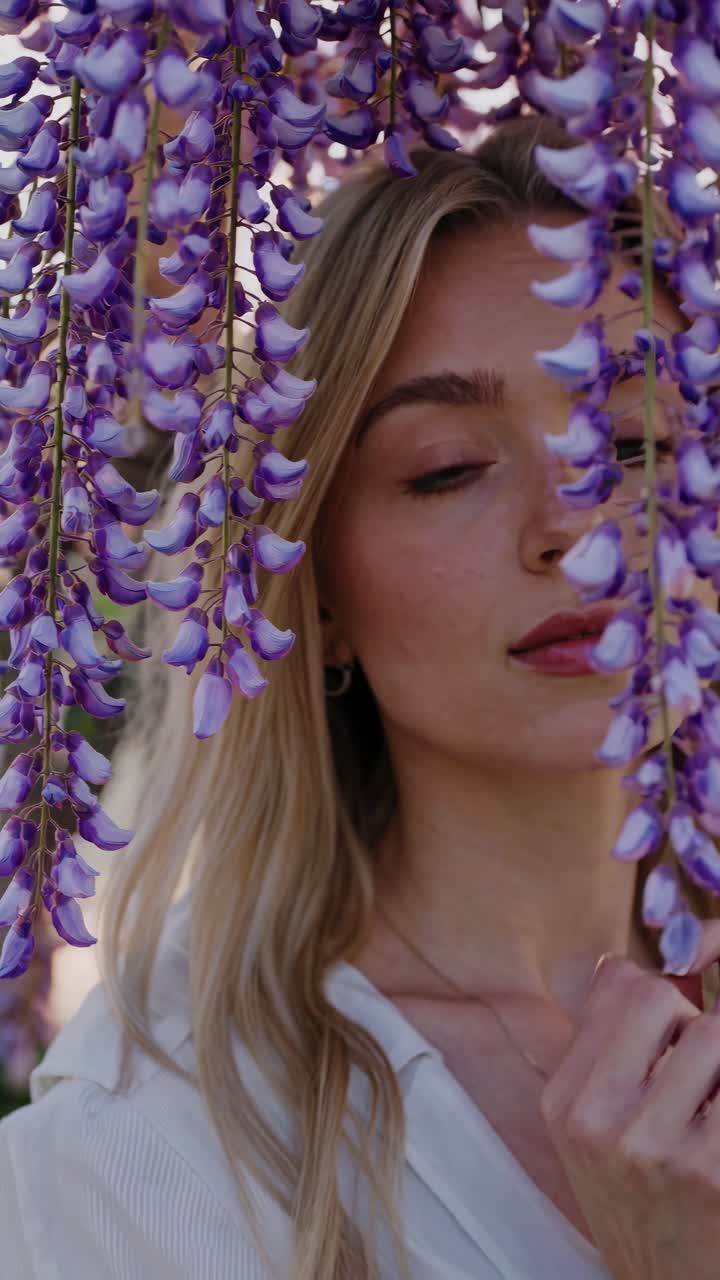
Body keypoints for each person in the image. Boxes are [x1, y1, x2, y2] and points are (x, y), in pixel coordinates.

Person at [2, 113, 720, 1280]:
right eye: (446, 468)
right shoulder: (146, 1146)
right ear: (313, 586)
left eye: (636, 443)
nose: (573, 523)